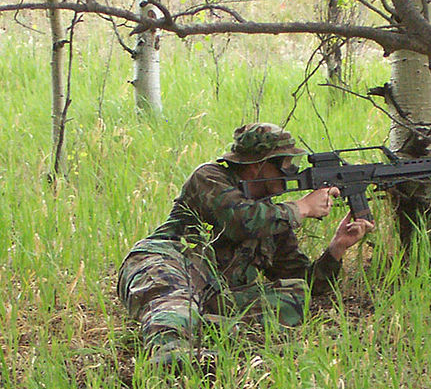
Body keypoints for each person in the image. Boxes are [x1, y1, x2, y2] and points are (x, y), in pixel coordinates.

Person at [117, 122, 374, 368]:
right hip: (167, 262)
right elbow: (241, 220)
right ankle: (170, 349)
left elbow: (307, 283)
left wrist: (337, 248)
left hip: (212, 292)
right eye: (284, 166)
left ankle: (204, 324)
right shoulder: (210, 177)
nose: (290, 174)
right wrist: (302, 207)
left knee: (295, 297)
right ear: (257, 166)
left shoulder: (273, 218)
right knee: (172, 296)